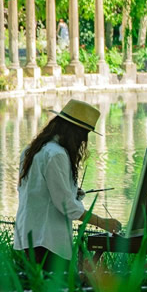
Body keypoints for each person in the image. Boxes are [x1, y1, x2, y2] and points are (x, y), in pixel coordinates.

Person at [13, 99, 121, 270]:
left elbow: (33, 190)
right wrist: (103, 223)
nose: (83, 142)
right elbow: (66, 206)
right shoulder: (57, 154)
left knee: (40, 291)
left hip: (29, 233)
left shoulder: (31, 150)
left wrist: (71, 191)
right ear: (75, 133)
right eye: (84, 135)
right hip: (48, 238)